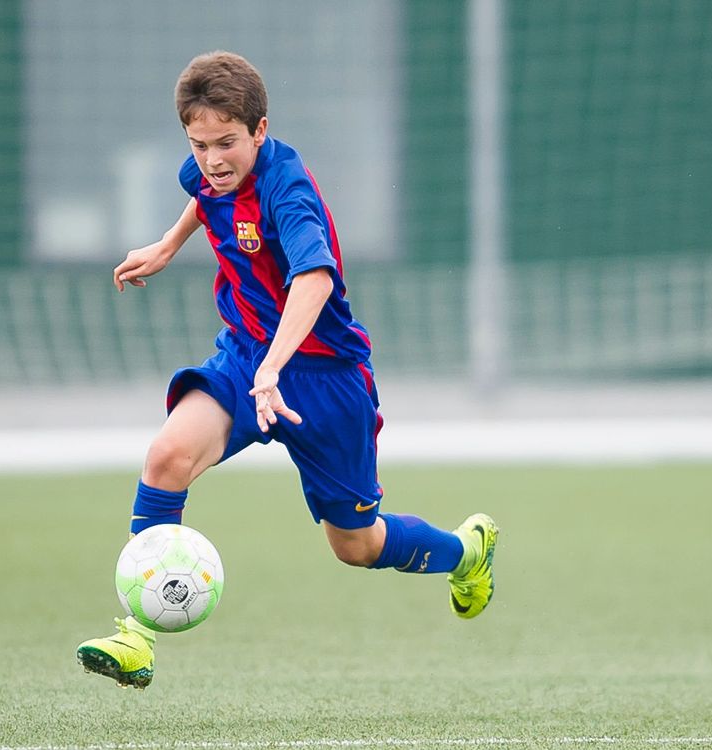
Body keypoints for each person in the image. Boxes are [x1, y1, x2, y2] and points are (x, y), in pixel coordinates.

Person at [76, 51, 498, 689]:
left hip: (324, 381)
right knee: (166, 458)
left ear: (260, 130)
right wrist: (166, 246)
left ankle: (466, 552)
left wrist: (275, 368)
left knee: (355, 545)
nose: (213, 159)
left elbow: (315, 279)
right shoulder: (207, 170)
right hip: (244, 356)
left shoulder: (287, 188)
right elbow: (204, 195)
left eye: (227, 143)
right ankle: (136, 637)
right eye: (199, 143)